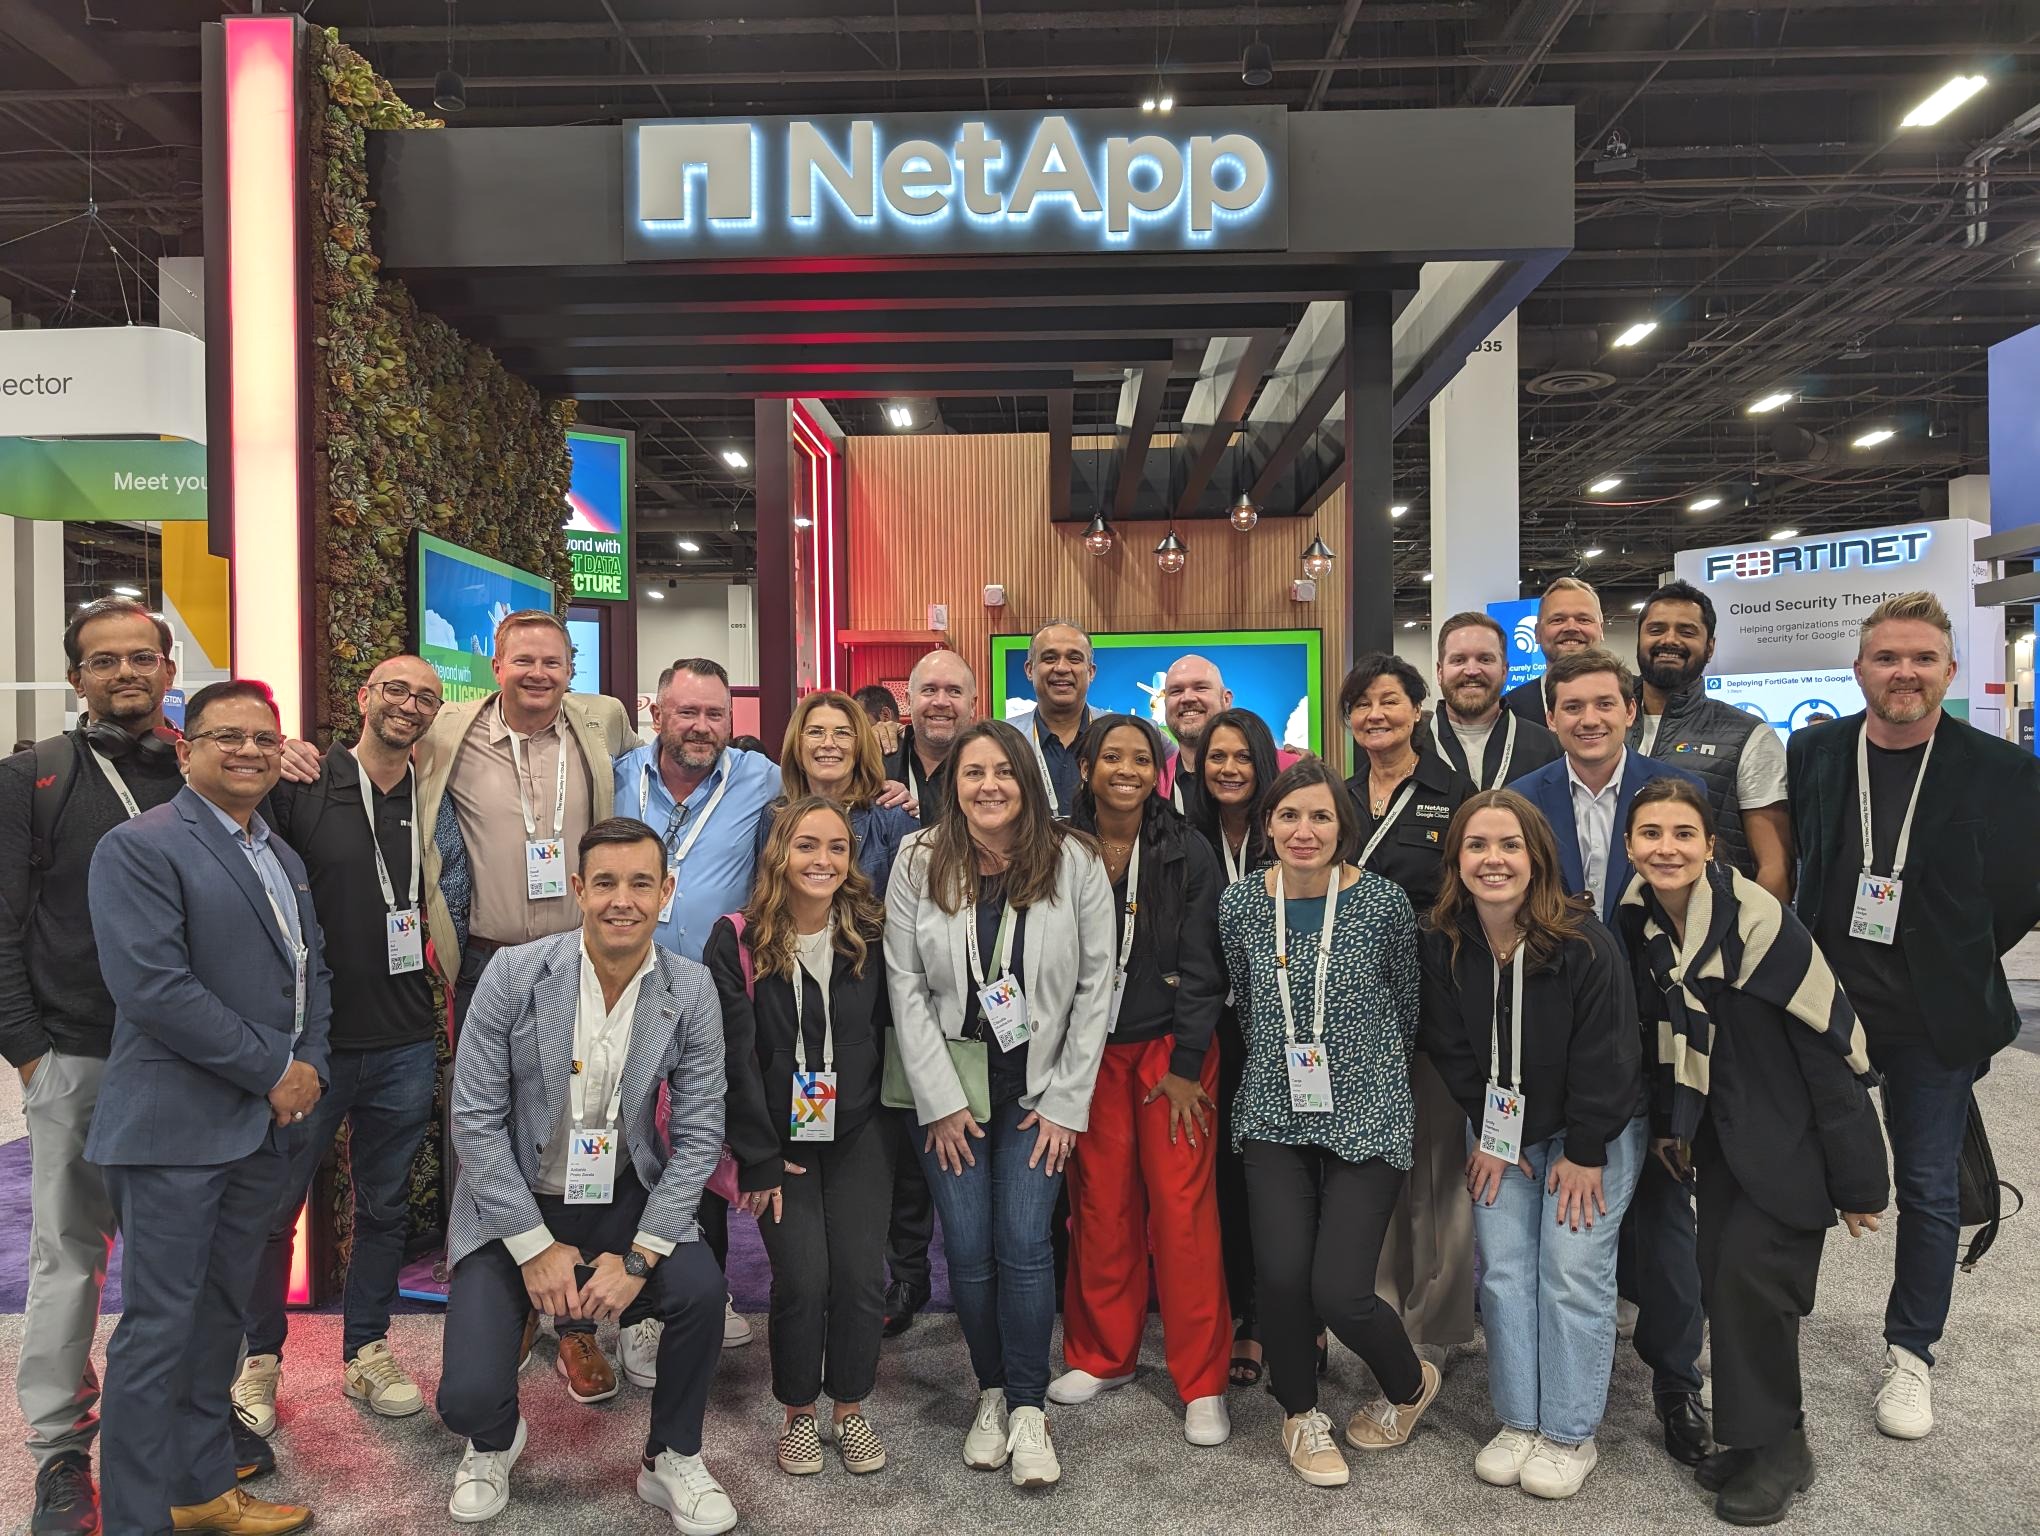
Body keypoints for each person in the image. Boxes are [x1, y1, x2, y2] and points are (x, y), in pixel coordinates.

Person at [1787, 591, 2040, 1440]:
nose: (1905, 672)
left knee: (1928, 1188)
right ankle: (1771, 1328)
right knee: (1794, 1167)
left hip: (1937, 1019)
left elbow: (2018, 893)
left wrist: (1953, 954)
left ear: (1950, 670)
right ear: (1859, 669)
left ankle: (1911, 1353)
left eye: (1923, 658)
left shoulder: (2000, 769)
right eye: (1888, 658)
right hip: (1827, 1006)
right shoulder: (1816, 751)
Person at [434, 818, 734, 1532]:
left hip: (624, 1195)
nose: (621, 900)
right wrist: (534, 1246)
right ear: (577, 888)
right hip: (516, 1198)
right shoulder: (513, 974)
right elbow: (473, 1120)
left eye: (640, 884)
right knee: (465, 1400)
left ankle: (671, 1456)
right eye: (604, 883)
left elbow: (699, 1135)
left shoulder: (690, 988)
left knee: (700, 1290)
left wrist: (640, 1257)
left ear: (666, 892)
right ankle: (493, 1441)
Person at [86, 679, 330, 1535]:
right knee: (159, 1332)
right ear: (186, 747)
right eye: (229, 736)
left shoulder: (278, 854)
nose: (250, 751)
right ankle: (136, 1519)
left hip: (258, 1131)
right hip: (174, 1130)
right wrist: (274, 1070)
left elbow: (310, 971)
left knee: (219, 1323)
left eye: (265, 738)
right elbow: (155, 989)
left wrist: (311, 1063)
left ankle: (200, 1491)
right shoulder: (140, 846)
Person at [1620, 778, 1890, 1524]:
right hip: (1719, 1144)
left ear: (1711, 846)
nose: (1666, 848)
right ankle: (1757, 1439)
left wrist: (1861, 1183)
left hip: (1789, 1144)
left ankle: (1781, 1453)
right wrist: (1673, 1127)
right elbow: (1665, 1045)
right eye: (1650, 834)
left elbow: (1829, 1055)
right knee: (1728, 1286)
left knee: (1756, 1288)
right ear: (1630, 847)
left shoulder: (1763, 928)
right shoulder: (1642, 922)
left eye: (1683, 833)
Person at [232, 656, 467, 1439]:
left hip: (404, 1039)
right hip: (312, 1045)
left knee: (385, 1207)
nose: (410, 704)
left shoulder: (432, 794)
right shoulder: (303, 785)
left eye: (426, 697)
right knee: (276, 1206)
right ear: (364, 697)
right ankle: (258, 1357)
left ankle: (366, 1349)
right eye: (396, 690)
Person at [412, 609, 641, 1399]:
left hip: (585, 962)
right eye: (523, 660)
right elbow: (376, 758)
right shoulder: (448, 730)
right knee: (484, 1131)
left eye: (553, 661)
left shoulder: (602, 723)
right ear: (496, 665)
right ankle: (504, 1301)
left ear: (570, 669)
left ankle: (574, 1324)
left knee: (583, 1130)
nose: (539, 673)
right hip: (490, 961)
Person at [883, 718, 1114, 1488]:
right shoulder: (919, 858)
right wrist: (939, 1100)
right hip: (951, 1086)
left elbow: (1096, 986)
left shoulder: (1075, 860)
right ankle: (990, 1391)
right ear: (953, 784)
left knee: (1023, 1242)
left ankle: (1028, 1407)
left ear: (1028, 780)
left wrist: (1067, 1104)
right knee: (967, 1246)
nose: (989, 786)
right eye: (973, 772)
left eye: (1003, 771)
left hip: (1038, 1089)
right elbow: (905, 985)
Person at [0, 598, 187, 1533]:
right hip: (77, 1053)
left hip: (190, 1063)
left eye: (141, 657)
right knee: (71, 1259)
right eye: (105, 661)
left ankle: (179, 1429)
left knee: (179, 1259)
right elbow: (2, 923)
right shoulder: (34, 778)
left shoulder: (204, 770)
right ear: (77, 678)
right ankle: (61, 1452)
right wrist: (28, 1052)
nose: (126, 674)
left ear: (168, 669)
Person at [1512, 647, 1713, 1466]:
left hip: (1661, 1029)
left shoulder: (1675, 792)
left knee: (1666, 1215)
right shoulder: (1524, 798)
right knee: (1565, 1223)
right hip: (1563, 1036)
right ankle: (1545, 1384)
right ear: (1550, 716)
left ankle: (1676, 1381)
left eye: (1604, 704)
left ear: (1631, 710)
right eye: (1572, 706)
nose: (1589, 719)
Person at [1420, 789, 1647, 1501]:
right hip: (1503, 1130)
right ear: (1457, 860)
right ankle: (1520, 1421)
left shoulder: (1583, 941)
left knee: (1571, 1270)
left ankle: (1570, 1433)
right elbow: (1453, 1050)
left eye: (1509, 845)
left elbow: (1611, 1055)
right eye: (1477, 845)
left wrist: (1585, 1150)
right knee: (1504, 1271)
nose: (1494, 860)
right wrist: (1490, 1133)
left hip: (1593, 1130)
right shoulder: (1445, 941)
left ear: (1537, 856)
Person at [1218, 759, 1438, 1488]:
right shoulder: (1241, 904)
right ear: (1268, 824)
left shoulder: (1383, 903)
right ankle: (1300, 1413)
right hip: (1273, 1109)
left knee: (1339, 1291)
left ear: (1345, 827)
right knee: (1281, 1277)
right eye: (1289, 815)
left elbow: (1406, 1006)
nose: (1304, 830)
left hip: (1369, 1110)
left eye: (1321, 816)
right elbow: (1247, 1004)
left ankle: (1410, 1384)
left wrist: (1361, 1069)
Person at [1054, 715, 1231, 1446]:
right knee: (1101, 1208)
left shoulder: (1186, 846)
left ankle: (1203, 1381)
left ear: (1158, 772)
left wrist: (1187, 1064)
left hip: (1171, 1057)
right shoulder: (1059, 845)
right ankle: (1104, 1355)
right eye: (1111, 757)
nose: (1125, 770)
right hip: (1089, 1055)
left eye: (1140, 759)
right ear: (1086, 767)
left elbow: (1206, 964)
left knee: (1183, 1216)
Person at [709, 798, 893, 1478]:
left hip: (859, 1129)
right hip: (777, 1141)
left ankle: (849, 1407)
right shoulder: (736, 939)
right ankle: (797, 1413)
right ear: (779, 854)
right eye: (808, 845)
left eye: (837, 847)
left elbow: (890, 1029)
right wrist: (759, 1156)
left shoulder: (871, 932)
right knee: (804, 1277)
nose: (823, 860)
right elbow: (733, 1059)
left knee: (860, 1276)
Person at [610, 658, 779, 1354]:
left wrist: (895, 792)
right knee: (631, 1143)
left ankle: (705, 1287)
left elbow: (832, 795)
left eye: (715, 714)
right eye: (687, 712)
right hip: (625, 985)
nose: (701, 726)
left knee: (700, 1139)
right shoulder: (615, 776)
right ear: (658, 714)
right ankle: (637, 1309)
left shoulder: (760, 779)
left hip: (711, 994)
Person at [1338, 653, 1476, 1368]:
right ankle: (1382, 1311)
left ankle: (1438, 1325)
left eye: (1389, 700)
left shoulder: (1454, 792)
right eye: (1362, 704)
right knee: (1374, 1161)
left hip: (1435, 997)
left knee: (1438, 1164)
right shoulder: (1340, 795)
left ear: (1417, 709)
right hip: (1353, 1005)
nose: (1376, 715)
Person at [1188, 707, 1281, 1388]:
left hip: (1282, 1029)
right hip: (1211, 1027)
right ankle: (1243, 1311)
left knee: (1282, 1174)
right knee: (1224, 1175)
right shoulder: (1186, 836)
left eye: (1242, 756)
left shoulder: (1288, 830)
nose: (1228, 768)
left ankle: (1292, 1316)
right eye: (1217, 756)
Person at [1630, 581, 1792, 901]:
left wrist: (1748, 930)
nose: (1669, 640)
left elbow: (1775, 867)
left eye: (1687, 631)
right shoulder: (1604, 728)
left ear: (1710, 646)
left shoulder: (1749, 736)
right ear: (1639, 639)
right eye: (1656, 629)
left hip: (1711, 922)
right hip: (1616, 923)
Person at [753, 690, 918, 895]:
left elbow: (908, 906)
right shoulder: (775, 816)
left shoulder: (893, 817)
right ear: (797, 744)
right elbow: (766, 897)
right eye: (815, 732)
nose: (828, 744)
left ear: (859, 746)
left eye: (842, 733)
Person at [1431, 611, 1561, 789]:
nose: (1472, 671)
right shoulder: (1413, 745)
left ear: (1504, 671)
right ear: (1440, 672)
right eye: (1459, 660)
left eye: (1485, 659)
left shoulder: (1547, 747)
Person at [1004, 621, 1097, 817]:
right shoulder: (1003, 739)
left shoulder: (1122, 734)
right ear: (1029, 670)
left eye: (1074, 658)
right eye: (1049, 658)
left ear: (1091, 672)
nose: (1062, 668)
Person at [883, 648, 977, 810]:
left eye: (954, 691)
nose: (941, 702)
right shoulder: (878, 762)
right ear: (909, 700)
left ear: (972, 705)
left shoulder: (990, 769)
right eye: (929, 690)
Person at [1503, 578, 1605, 724]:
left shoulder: (1630, 697)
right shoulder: (1509, 708)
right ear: (1537, 633)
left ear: (1601, 630)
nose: (1571, 628)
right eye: (1558, 620)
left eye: (1583, 619)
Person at [1157, 653, 1231, 813]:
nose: (1187, 698)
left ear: (1226, 700)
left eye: (1200, 688)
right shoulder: (1153, 784)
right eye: (1176, 691)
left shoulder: (1281, 768)